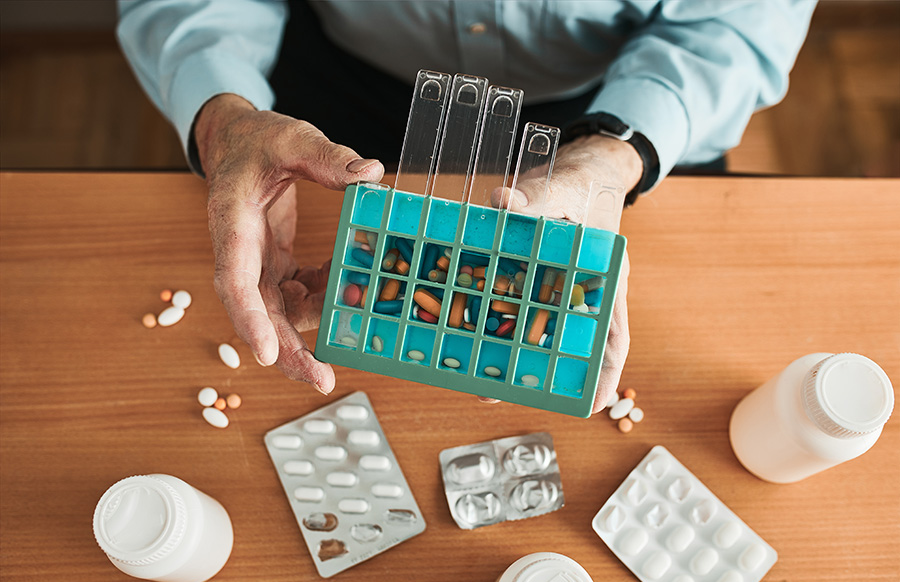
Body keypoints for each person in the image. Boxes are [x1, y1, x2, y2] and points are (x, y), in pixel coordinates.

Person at [117, 0, 816, 411]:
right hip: (332, 98)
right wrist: (223, 119)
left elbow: (738, 20)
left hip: (624, 102)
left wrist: (618, 152)